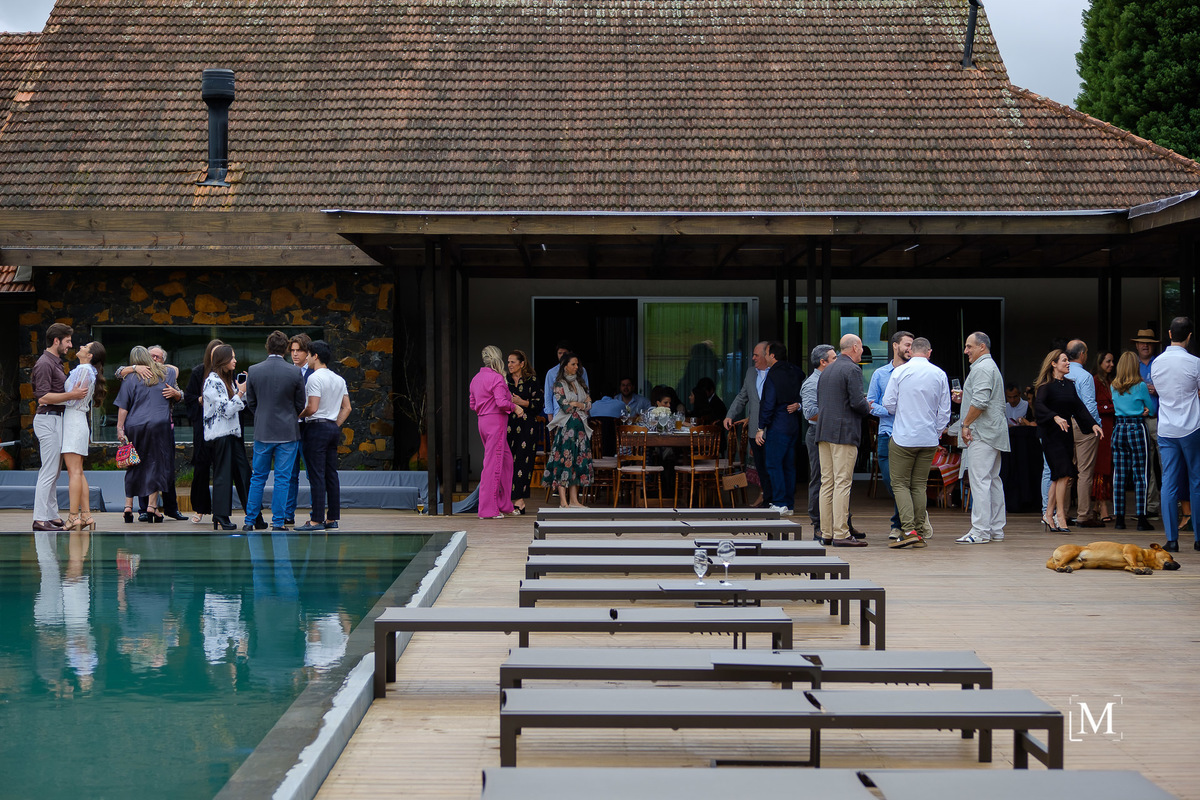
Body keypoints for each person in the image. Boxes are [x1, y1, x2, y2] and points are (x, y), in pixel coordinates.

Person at [883, 337, 950, 548]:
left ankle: (909, 530)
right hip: (928, 438)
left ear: (911, 351)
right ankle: (919, 533)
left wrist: (903, 410)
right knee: (919, 485)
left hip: (903, 436)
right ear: (929, 353)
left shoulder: (900, 372)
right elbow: (945, 411)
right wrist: (936, 432)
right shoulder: (939, 374)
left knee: (900, 484)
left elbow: (888, 403)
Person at [242, 330, 306, 531]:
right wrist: (289, 415)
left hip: (263, 431)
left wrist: (262, 415)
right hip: (288, 432)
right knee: (282, 479)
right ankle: (278, 522)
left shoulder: (254, 370)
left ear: (267, 347)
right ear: (286, 348)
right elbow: (300, 403)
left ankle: (250, 520)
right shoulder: (294, 372)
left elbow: (251, 402)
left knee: (258, 477)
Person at [1034, 349, 1102, 532]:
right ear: (1053, 364)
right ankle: (1060, 516)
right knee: (1064, 474)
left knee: (1058, 476)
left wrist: (1093, 424)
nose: (1068, 363)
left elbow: (1079, 407)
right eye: (1064, 360)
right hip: (1050, 435)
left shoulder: (1070, 385)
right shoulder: (1046, 386)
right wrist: (1054, 417)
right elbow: (1038, 406)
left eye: (1067, 360)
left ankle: (1048, 514)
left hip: (1066, 434)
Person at [814, 334, 872, 547]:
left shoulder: (827, 370)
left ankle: (826, 532)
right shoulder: (852, 369)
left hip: (824, 432)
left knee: (827, 483)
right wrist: (868, 406)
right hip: (844, 433)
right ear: (855, 347)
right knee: (842, 483)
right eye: (861, 348)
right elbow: (857, 403)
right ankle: (841, 533)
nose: (862, 352)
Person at [31, 323, 88, 531]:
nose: (70, 345)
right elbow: (43, 397)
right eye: (67, 341)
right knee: (48, 471)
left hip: (55, 419)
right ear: (56, 341)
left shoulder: (54, 362)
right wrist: (72, 395)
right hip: (48, 420)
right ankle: (39, 519)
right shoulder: (44, 363)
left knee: (54, 471)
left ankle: (52, 516)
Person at [1150, 316, 1200, 552]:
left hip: (1167, 428)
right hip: (1192, 427)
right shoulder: (1195, 363)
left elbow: (1160, 392)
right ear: (1189, 336)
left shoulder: (1156, 363)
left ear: (1170, 334)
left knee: (1168, 481)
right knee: (1196, 481)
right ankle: (1198, 538)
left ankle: (1171, 539)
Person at [955, 332, 1010, 544]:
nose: (966, 351)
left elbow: (980, 402)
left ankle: (980, 531)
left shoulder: (982, 368)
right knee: (993, 480)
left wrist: (966, 424)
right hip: (992, 432)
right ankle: (995, 529)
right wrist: (965, 398)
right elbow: (980, 398)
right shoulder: (988, 366)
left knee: (980, 481)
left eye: (969, 346)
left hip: (982, 433)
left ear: (982, 347)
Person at [114, 345, 179, 523]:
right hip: (160, 425)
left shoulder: (129, 378)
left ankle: (128, 506)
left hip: (134, 425)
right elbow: (175, 370)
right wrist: (155, 366)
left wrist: (120, 428)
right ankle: (152, 507)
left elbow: (123, 407)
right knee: (157, 464)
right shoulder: (165, 374)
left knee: (133, 464)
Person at [297, 340, 352, 530]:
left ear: (315, 356)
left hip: (316, 427)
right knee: (331, 474)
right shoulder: (339, 379)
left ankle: (316, 519)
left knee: (316, 475)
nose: (307, 358)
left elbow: (312, 407)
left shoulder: (314, 378)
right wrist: (334, 424)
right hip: (331, 428)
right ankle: (332, 518)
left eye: (308, 354)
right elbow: (347, 408)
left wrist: (298, 416)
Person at [867, 330, 913, 538]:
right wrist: (891, 410)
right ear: (895, 346)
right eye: (907, 344)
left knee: (904, 482)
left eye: (912, 345)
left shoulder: (916, 373)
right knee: (891, 481)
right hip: (887, 433)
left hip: (909, 435)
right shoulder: (880, 374)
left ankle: (897, 525)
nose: (910, 349)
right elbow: (870, 404)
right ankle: (911, 512)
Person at [469, 345, 522, 519]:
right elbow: (501, 402)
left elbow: (472, 404)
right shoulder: (497, 378)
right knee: (493, 464)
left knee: (506, 462)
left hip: (483, 422)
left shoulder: (476, 378)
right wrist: (515, 407)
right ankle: (488, 509)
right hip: (496, 423)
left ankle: (504, 504)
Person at [203, 344, 251, 531]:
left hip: (232, 434)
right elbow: (226, 410)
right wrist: (241, 392)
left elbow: (236, 405)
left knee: (244, 474)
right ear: (223, 360)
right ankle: (221, 515)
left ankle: (253, 514)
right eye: (232, 357)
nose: (235, 361)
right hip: (221, 435)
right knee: (223, 475)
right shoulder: (213, 381)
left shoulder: (226, 380)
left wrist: (241, 391)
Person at [755, 341, 804, 516]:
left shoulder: (773, 375)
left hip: (778, 423)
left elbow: (768, 403)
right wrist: (798, 403)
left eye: (767, 353)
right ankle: (789, 504)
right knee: (789, 465)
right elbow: (805, 389)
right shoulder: (796, 371)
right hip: (793, 423)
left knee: (774, 464)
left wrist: (761, 427)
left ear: (773, 355)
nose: (765, 356)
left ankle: (779, 502)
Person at [62, 341, 106, 531]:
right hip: (78, 420)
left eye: (86, 347)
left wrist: (54, 397)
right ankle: (86, 514)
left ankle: (73, 516)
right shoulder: (88, 371)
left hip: (73, 420)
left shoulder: (83, 370)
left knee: (73, 471)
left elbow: (72, 398)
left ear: (90, 355)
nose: (80, 346)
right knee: (78, 471)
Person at [1110, 351, 1154, 531]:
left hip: (1119, 428)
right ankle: (1141, 518)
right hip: (1136, 427)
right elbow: (1151, 409)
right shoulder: (1140, 385)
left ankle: (1119, 519)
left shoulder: (1113, 385)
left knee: (1119, 475)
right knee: (1141, 474)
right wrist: (1145, 410)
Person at [182, 338, 225, 525]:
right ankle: (200, 508)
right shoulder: (199, 372)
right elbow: (189, 397)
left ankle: (221, 511)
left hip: (222, 426)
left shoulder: (227, 372)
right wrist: (201, 399)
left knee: (221, 469)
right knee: (201, 467)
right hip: (203, 426)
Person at [543, 352, 593, 507]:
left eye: (577, 364)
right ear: (565, 366)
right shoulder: (559, 385)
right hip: (566, 429)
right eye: (573, 364)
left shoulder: (580, 383)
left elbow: (589, 404)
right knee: (564, 461)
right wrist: (581, 405)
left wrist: (577, 404)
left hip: (580, 429)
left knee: (578, 462)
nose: (576, 367)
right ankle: (563, 501)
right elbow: (565, 407)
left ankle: (574, 500)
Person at [725, 341, 771, 506]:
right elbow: (742, 396)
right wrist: (730, 415)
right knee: (761, 468)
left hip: (773, 429)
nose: (753, 358)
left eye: (756, 355)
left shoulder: (777, 372)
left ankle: (776, 499)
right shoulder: (751, 373)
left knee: (773, 466)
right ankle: (765, 497)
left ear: (766, 355)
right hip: (754, 430)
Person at [1065, 339, 1103, 527]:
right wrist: (1096, 424)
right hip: (1082, 425)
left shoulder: (1061, 372)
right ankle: (1083, 515)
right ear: (1082, 354)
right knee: (1085, 471)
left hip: (1063, 423)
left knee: (1066, 471)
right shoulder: (1085, 376)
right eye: (1086, 352)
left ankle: (1062, 513)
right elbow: (1089, 405)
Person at [802, 343, 836, 535]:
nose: (837, 362)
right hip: (817, 433)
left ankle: (842, 522)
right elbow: (810, 413)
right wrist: (836, 413)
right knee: (819, 478)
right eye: (834, 359)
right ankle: (817, 523)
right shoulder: (811, 383)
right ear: (823, 362)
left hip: (832, 432)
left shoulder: (832, 379)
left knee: (838, 479)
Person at [283, 333, 315, 525]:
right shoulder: (286, 371)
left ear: (307, 352)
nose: (295, 354)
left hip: (309, 427)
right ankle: (288, 514)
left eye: (299, 350)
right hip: (289, 428)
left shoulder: (315, 373)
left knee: (312, 473)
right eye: (292, 350)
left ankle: (315, 514)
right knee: (289, 473)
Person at [506, 349, 543, 514]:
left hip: (527, 426)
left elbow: (539, 405)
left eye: (513, 362)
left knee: (523, 461)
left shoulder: (532, 380)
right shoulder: (505, 381)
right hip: (508, 425)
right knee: (507, 461)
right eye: (508, 362)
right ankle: (505, 500)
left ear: (522, 364)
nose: (509, 365)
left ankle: (519, 502)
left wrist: (522, 402)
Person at [1131, 327, 1161, 516]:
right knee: (1145, 466)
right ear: (1136, 345)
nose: (1145, 346)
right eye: (1142, 342)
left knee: (1167, 464)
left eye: (1148, 343)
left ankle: (1176, 506)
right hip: (1140, 421)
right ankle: (1150, 507)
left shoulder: (1160, 363)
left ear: (1153, 346)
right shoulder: (1132, 366)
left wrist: (1157, 390)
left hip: (1160, 420)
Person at [1092, 350, 1117, 522]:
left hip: (1111, 428)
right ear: (1100, 363)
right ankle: (1103, 508)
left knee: (1108, 467)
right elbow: (1093, 406)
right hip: (1101, 429)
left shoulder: (1109, 382)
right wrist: (1112, 407)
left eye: (1112, 361)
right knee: (1101, 468)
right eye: (1108, 361)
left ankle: (1097, 506)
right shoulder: (1095, 381)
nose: (1111, 365)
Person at [542, 340, 590, 418]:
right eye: (560, 353)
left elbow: (586, 391)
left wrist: (585, 409)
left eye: (565, 353)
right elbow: (548, 395)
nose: (562, 355)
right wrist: (550, 415)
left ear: (570, 353)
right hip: (559, 413)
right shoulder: (551, 372)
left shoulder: (581, 370)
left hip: (580, 413)